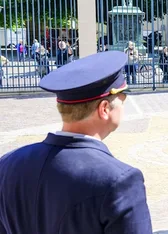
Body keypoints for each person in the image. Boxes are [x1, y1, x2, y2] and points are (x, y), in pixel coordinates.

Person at [0, 51, 153, 233]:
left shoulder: (7, 164)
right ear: (104, 109)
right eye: (122, 100)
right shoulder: (120, 181)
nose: (123, 106)